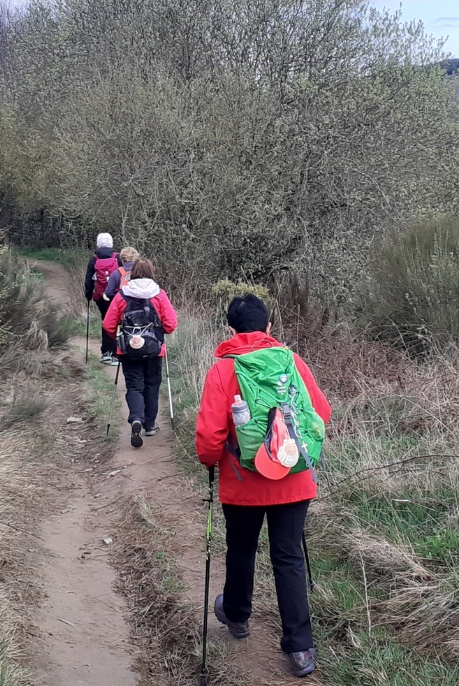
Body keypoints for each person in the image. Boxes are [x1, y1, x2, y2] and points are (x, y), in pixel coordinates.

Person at [195, 294, 331, 678]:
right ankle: (301, 649)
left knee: (241, 550)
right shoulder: (292, 361)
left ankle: (237, 617)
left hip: (243, 484)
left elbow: (209, 434)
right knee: (288, 557)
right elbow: (320, 411)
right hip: (294, 479)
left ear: (231, 330)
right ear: (269, 327)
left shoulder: (223, 370)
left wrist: (209, 461)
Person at [103, 259, 178, 448]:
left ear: (132, 273)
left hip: (128, 350)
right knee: (152, 385)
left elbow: (108, 324)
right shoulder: (159, 294)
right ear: (152, 272)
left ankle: (136, 418)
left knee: (134, 386)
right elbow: (171, 324)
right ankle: (150, 425)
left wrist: (119, 339)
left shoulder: (122, 295)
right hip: (155, 350)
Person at [83, 233, 119, 365]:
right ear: (111, 244)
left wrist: (88, 293)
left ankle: (106, 353)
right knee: (116, 322)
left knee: (105, 321)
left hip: (100, 297)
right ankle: (116, 354)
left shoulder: (94, 259)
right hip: (116, 296)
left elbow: (88, 280)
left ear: (98, 244)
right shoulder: (118, 257)